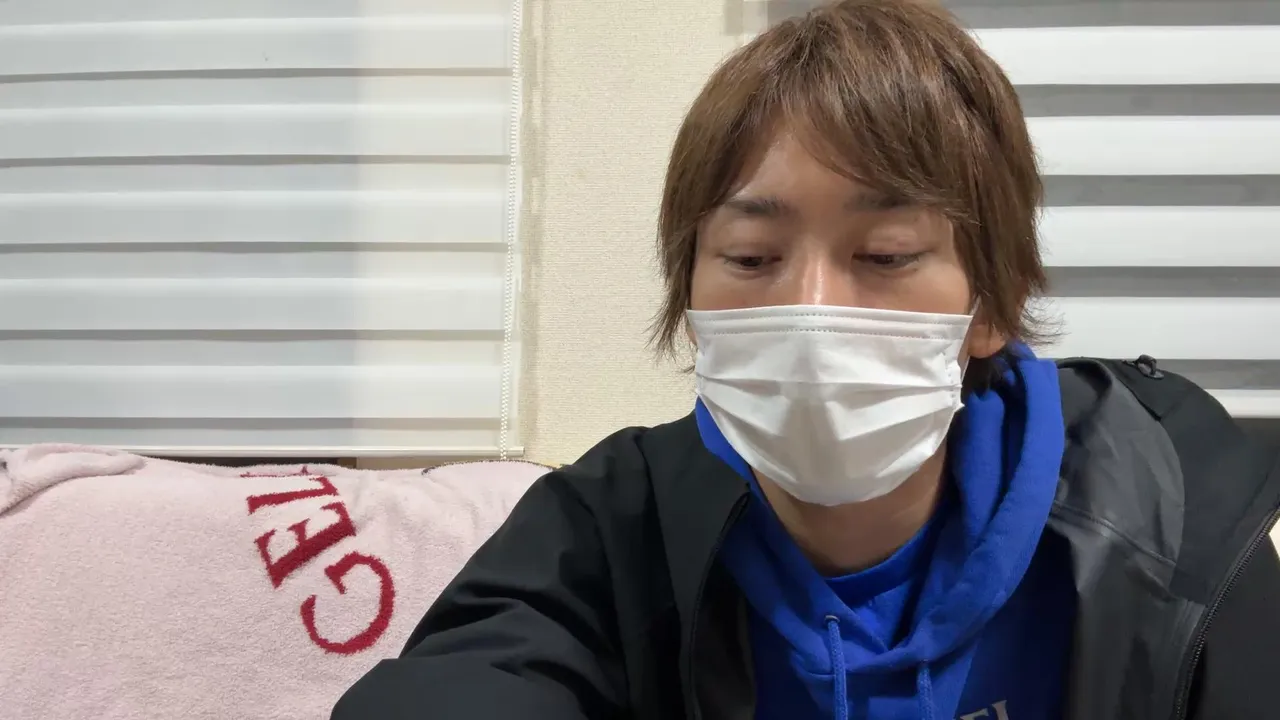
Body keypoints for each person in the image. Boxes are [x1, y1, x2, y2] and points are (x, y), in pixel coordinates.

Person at [332, 1, 1280, 718]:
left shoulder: (1170, 507)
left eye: (886, 255)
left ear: (989, 303)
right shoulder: (611, 526)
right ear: (693, 304)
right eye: (751, 259)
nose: (812, 310)